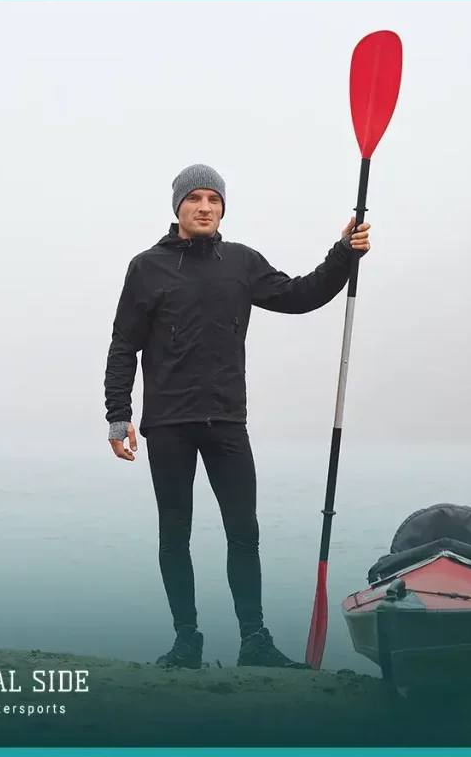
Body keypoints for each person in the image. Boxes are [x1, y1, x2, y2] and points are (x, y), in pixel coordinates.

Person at [103, 163, 371, 670]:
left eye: (214, 200)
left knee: (244, 531)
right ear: (178, 206)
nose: (205, 207)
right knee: (174, 535)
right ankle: (187, 641)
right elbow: (124, 345)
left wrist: (344, 254)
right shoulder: (147, 267)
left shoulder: (241, 263)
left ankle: (255, 641)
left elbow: (302, 295)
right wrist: (120, 416)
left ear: (223, 208)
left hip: (226, 420)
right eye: (195, 198)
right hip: (168, 426)